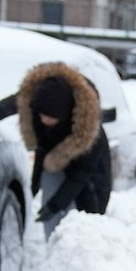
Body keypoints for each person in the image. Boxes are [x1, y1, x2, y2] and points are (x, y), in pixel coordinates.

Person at [17, 61, 112, 238]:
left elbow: (81, 175)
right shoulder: (41, 110)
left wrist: (54, 206)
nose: (43, 120)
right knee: (52, 209)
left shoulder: (90, 133)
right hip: (57, 167)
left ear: (64, 113)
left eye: (49, 117)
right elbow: (19, 99)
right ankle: (53, 246)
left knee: (80, 226)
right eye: (41, 115)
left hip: (88, 183)